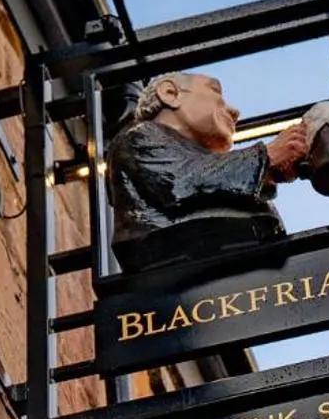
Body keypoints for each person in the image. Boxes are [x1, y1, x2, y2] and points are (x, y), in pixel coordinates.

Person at [106, 71, 309, 272]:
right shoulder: (139, 136)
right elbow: (180, 182)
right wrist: (267, 158)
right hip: (182, 262)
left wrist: (270, 173)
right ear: (170, 93)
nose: (235, 111)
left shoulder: (208, 162)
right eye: (215, 91)